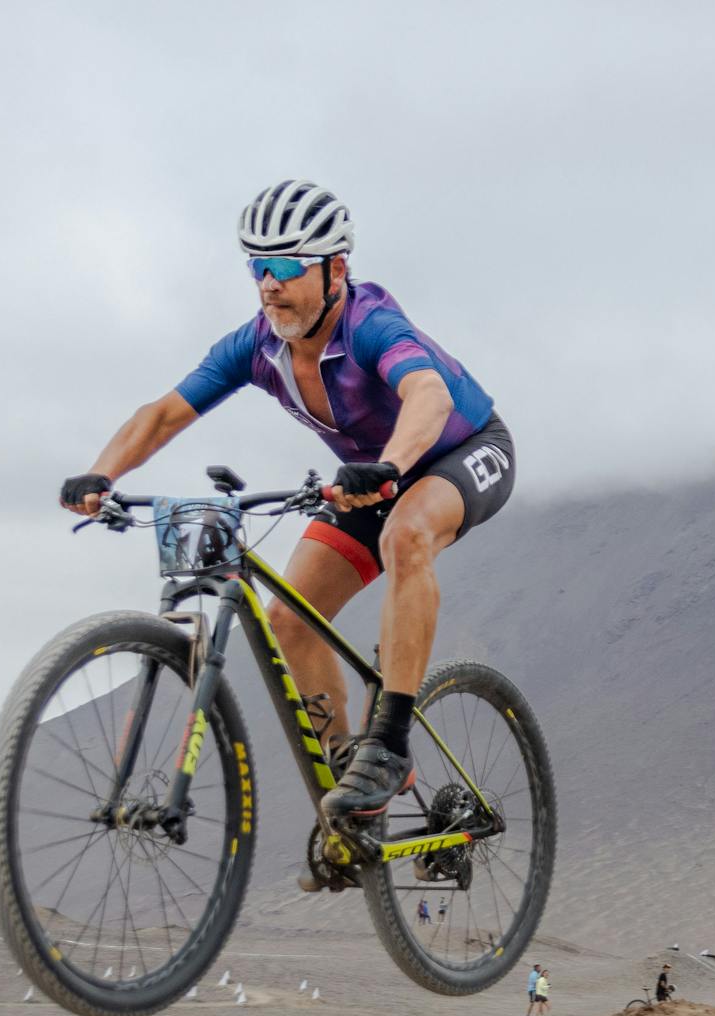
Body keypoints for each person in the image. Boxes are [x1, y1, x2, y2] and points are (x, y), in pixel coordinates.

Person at [62, 180, 513, 827]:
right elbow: (162, 415)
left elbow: (429, 396)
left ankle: (387, 744)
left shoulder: (370, 324)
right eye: (255, 267)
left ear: (335, 270)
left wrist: (390, 465)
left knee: (406, 536)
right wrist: (100, 475)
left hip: (459, 451)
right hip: (373, 474)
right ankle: (349, 779)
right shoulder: (258, 345)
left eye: (282, 267)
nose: (267, 285)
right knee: (289, 618)